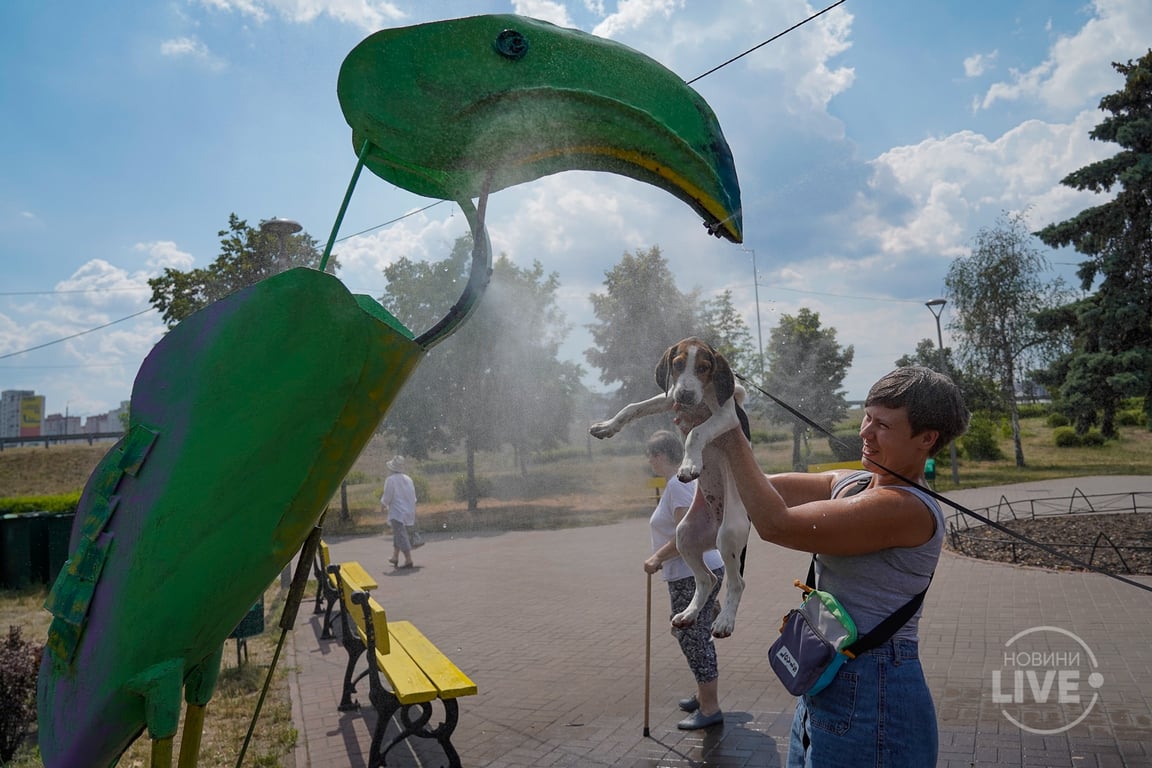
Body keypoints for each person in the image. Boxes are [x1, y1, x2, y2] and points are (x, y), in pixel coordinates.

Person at [687, 366, 969, 766]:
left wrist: (728, 425)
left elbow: (775, 523)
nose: (865, 432)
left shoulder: (904, 508)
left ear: (927, 439)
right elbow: (757, 489)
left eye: (883, 425)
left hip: (875, 693)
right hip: (830, 674)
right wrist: (704, 432)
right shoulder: (854, 484)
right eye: (867, 416)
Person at [642, 430, 726, 730]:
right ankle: (704, 693)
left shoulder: (678, 485)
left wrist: (656, 559)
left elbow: (684, 537)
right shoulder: (684, 481)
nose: (649, 461)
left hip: (691, 573)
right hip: (700, 570)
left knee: (693, 639)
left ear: (660, 456)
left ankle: (710, 707)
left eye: (651, 455)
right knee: (689, 634)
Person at [380, 455, 417, 569]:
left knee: (400, 535)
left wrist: (383, 505)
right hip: (408, 511)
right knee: (398, 533)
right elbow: (413, 496)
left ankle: (408, 559)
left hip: (397, 512)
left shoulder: (390, 480)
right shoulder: (408, 479)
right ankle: (395, 556)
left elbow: (387, 496)